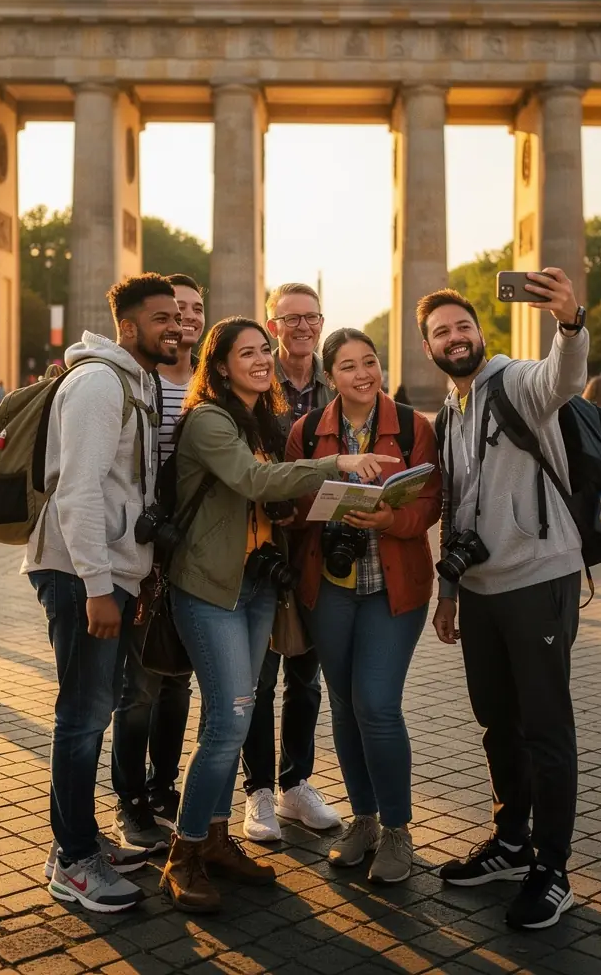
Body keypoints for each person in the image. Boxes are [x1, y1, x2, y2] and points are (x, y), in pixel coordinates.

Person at [159, 317, 396, 915]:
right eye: (248, 353)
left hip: (257, 586)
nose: (263, 360)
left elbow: (272, 494)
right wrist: (336, 464)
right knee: (230, 722)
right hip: (211, 588)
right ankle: (181, 857)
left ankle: (214, 840)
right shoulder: (210, 420)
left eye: (265, 351)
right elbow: (253, 478)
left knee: (226, 718)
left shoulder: (263, 421)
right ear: (219, 365)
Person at [421, 269, 589, 931]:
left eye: (463, 325)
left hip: (539, 575)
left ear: (479, 332)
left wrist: (570, 323)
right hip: (482, 590)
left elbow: (564, 379)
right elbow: (456, 507)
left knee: (546, 727)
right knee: (497, 723)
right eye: (441, 331)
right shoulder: (450, 412)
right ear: (430, 346)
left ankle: (553, 868)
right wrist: (448, 591)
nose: (454, 337)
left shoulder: (518, 381)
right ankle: (511, 842)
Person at [22, 273, 184, 913]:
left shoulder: (137, 382)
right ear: (127, 325)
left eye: (177, 316)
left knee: (91, 713)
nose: (173, 326)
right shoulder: (97, 384)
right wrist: (96, 585)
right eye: (160, 317)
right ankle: (73, 860)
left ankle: (82, 838)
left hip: (110, 570)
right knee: (83, 717)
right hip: (78, 574)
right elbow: (78, 490)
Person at [286, 328, 442, 883]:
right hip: (330, 586)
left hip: (392, 586)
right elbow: (293, 500)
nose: (362, 374)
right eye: (348, 366)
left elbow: (429, 503)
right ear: (331, 377)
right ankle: (365, 820)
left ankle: (398, 829)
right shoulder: (307, 432)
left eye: (370, 362)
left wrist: (389, 518)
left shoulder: (413, 425)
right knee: (345, 704)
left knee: (376, 702)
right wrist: (327, 499)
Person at [241, 283, 339, 844]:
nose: (302, 326)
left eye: (311, 317)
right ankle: (257, 792)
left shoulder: (335, 384)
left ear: (320, 324)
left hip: (316, 547)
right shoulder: (254, 379)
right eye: (290, 318)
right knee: (257, 675)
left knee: (307, 677)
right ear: (273, 325)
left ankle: (295, 783)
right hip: (260, 544)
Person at [112, 275, 206, 852]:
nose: (185, 320)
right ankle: (130, 801)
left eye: (194, 309)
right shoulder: (133, 378)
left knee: (178, 684)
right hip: (146, 553)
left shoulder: (208, 384)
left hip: (193, 551)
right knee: (141, 686)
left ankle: (163, 788)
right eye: (175, 311)